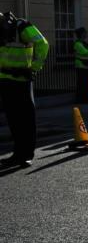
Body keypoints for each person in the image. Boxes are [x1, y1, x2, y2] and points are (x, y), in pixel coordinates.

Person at [0, 11, 49, 168]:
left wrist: (34, 67)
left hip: (22, 80)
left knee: (26, 120)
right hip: (5, 81)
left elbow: (43, 44)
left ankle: (26, 155)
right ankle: (17, 154)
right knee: (13, 120)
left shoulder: (21, 26)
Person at [73, 27, 88, 103]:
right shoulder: (78, 44)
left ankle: (85, 98)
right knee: (82, 84)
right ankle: (80, 99)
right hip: (81, 66)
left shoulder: (84, 43)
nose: (86, 34)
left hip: (86, 66)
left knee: (86, 83)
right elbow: (86, 52)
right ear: (81, 34)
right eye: (85, 32)